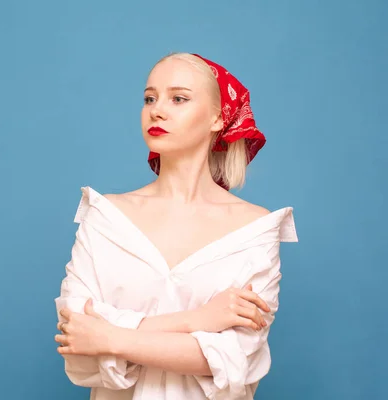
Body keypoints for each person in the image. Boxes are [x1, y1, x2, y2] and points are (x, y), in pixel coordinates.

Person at [53, 52, 298, 400]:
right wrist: (199, 320)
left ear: (218, 117)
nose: (156, 109)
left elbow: (233, 361)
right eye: (149, 98)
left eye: (178, 98)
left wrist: (112, 337)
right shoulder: (105, 216)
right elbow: (78, 334)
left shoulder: (256, 229)